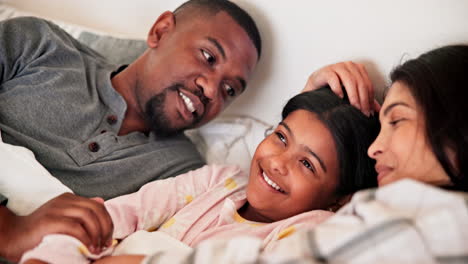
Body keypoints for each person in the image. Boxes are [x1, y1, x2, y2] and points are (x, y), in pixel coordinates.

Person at [127, 44, 468, 264]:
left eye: (397, 120)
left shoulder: (435, 223)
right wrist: (307, 113)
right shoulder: (223, 179)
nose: (375, 147)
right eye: (279, 136)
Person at [0, 0, 264, 261]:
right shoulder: (39, 45)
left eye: (229, 90)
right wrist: (8, 229)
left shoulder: (186, 175)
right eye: (208, 57)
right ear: (160, 31)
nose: (210, 90)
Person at [19, 87, 379, 264]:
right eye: (281, 137)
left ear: (339, 198)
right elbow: (113, 217)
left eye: (307, 164)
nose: (278, 162)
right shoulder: (219, 179)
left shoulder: (306, 230)